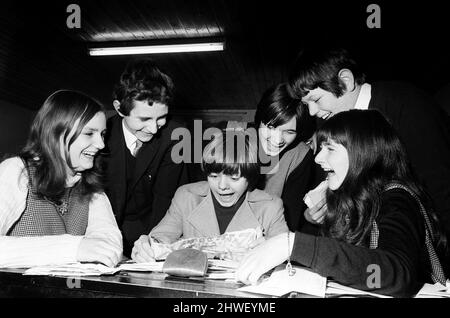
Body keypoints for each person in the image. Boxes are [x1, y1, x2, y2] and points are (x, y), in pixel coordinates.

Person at [236, 110, 447, 297]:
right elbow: (344, 263)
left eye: (330, 149)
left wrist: (293, 244)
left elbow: (392, 274)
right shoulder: (353, 199)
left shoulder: (397, 199)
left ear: (362, 154)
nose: (318, 158)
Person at [288, 47, 450, 253]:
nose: (312, 112)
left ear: (345, 81)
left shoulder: (407, 105)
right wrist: (314, 215)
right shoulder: (328, 123)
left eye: (316, 99)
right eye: (306, 103)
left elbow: (441, 189)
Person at [0, 90, 122, 268]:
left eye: (102, 134)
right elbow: (84, 249)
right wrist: (74, 248)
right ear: (56, 134)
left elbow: (109, 242)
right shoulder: (17, 171)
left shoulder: (93, 188)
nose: (101, 144)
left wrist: (97, 247)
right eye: (89, 133)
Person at [131, 129, 289, 262]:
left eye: (234, 178)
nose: (222, 186)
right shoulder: (186, 196)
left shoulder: (271, 207)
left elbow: (286, 256)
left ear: (251, 177)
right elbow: (161, 237)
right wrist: (147, 246)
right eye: (213, 176)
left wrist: (272, 249)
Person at [103, 59, 188, 257]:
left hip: (154, 225)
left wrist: (153, 243)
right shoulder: (101, 137)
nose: (153, 129)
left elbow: (165, 197)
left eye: (161, 118)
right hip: (108, 227)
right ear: (119, 108)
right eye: (144, 119)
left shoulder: (176, 136)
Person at [253, 83, 318, 231]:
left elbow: (291, 218)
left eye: (289, 132)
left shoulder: (300, 155)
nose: (277, 140)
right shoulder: (237, 142)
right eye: (271, 127)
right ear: (259, 121)